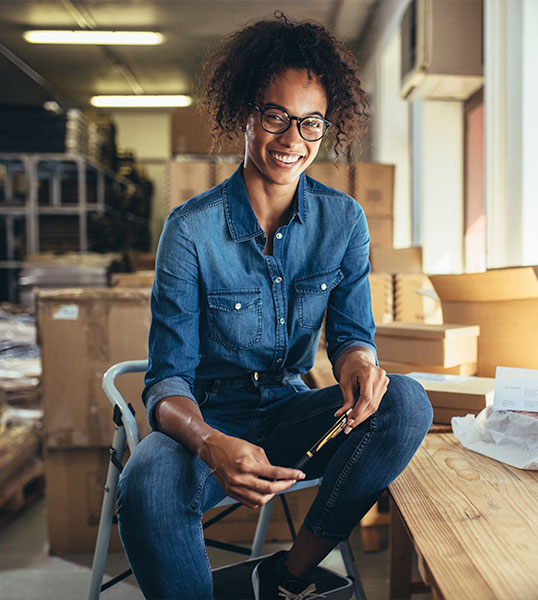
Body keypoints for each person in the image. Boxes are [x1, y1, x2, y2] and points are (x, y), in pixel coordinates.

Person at [117, 12, 433, 600]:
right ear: (244, 114)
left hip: (290, 414)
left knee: (406, 402)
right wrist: (211, 442)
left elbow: (351, 335)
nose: (293, 140)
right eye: (275, 117)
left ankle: (288, 577)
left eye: (311, 123)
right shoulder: (191, 231)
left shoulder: (344, 221)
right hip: (209, 418)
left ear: (326, 127)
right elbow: (166, 383)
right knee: (148, 484)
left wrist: (360, 365)